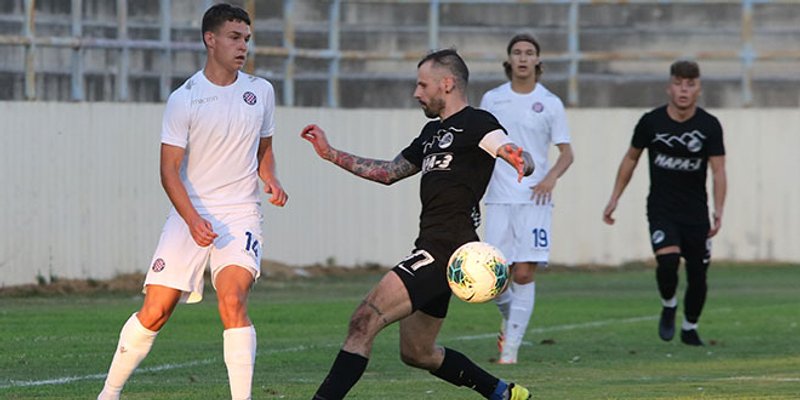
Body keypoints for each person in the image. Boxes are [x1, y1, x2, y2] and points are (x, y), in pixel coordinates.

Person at [300, 49, 533, 400]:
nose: (416, 92)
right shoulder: (430, 133)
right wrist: (331, 154)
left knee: (363, 320)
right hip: (433, 248)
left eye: (423, 85)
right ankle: (503, 392)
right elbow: (388, 172)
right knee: (417, 352)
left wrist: (519, 158)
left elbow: (507, 148)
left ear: (447, 83)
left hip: (446, 250)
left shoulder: (478, 123)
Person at [97, 4, 287, 399]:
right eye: (234, 38)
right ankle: (109, 393)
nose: (243, 47)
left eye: (246, 39)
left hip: (241, 213)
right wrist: (192, 219)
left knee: (232, 299)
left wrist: (269, 176)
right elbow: (168, 171)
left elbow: (264, 148)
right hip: (190, 212)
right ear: (210, 39)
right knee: (155, 312)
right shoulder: (184, 98)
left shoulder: (261, 91)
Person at [602, 60, 726, 346]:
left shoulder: (709, 126)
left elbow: (719, 170)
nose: (684, 90)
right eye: (678, 84)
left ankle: (690, 326)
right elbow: (631, 158)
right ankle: (669, 303)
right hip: (661, 209)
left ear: (698, 89)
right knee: (668, 261)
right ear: (669, 87)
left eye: (690, 84)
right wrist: (615, 197)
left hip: (696, 213)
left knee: (698, 274)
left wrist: (719, 209)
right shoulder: (651, 122)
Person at [479, 33, 574, 364]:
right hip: (499, 197)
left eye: (529, 52)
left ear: (537, 60)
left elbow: (567, 153)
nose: (523, 57)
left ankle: (510, 352)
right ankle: (510, 323)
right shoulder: (492, 99)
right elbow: (482, 147)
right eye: (517, 52)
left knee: (523, 274)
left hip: (535, 199)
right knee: (495, 278)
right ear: (509, 60)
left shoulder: (550, 102)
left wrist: (550, 177)